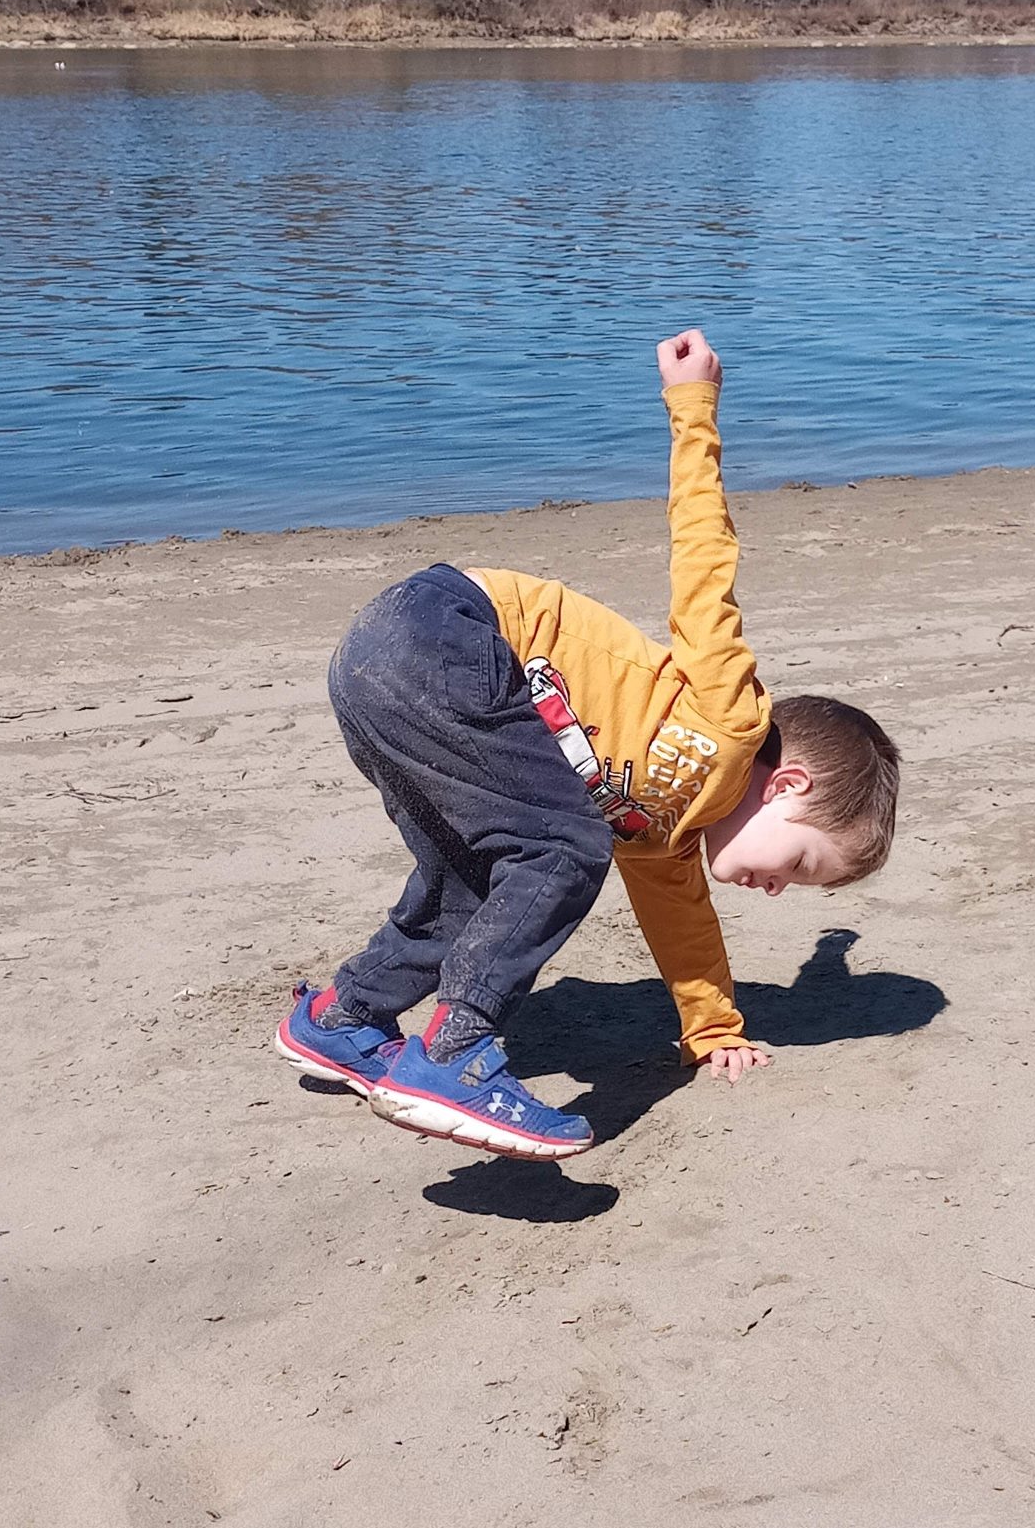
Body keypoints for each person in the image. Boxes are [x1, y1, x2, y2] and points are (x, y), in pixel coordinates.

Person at [275, 329, 899, 1161]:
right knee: (564, 847)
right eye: (802, 866)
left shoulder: (664, 844)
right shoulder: (728, 713)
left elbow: (686, 934)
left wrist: (714, 1030)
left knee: (472, 883)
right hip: (449, 629)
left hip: (380, 671)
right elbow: (703, 563)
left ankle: (343, 1020)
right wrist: (693, 408)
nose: (778, 890)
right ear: (786, 785)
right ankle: (455, 1054)